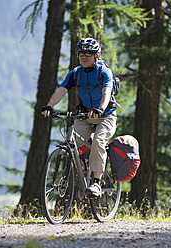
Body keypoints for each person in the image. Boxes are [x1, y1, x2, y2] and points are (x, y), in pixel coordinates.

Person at [41, 37, 117, 197]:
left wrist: (100, 108)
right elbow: (61, 90)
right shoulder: (75, 73)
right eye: (81, 53)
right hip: (85, 115)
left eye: (89, 53)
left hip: (106, 116)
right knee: (71, 144)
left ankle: (96, 182)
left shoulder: (104, 72)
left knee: (98, 141)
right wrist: (49, 106)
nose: (84, 56)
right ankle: (84, 167)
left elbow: (106, 92)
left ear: (96, 56)